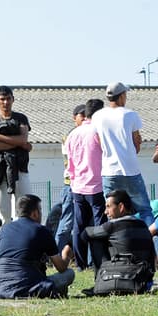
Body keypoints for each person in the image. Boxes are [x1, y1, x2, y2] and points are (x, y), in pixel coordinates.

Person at [0, 195, 75, 299]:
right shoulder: (41, 230)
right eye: (40, 210)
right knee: (69, 274)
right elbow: (61, 268)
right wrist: (66, 256)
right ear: (35, 213)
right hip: (28, 285)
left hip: (0, 285)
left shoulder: (4, 229)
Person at [91, 82, 154, 231]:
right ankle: (153, 248)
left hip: (109, 172)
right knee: (145, 210)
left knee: (112, 213)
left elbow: (99, 141)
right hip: (130, 170)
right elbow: (136, 142)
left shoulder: (98, 116)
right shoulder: (130, 114)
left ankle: (115, 248)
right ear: (121, 96)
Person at [80, 190, 155, 292]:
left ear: (121, 207)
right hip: (143, 279)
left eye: (108, 206)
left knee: (96, 239)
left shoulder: (112, 225)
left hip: (120, 276)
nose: (105, 212)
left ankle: (101, 280)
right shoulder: (143, 225)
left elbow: (85, 234)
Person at [66, 99, 106, 269]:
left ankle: (81, 264)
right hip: (96, 184)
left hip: (77, 185)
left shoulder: (73, 133)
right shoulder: (98, 131)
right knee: (99, 226)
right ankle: (98, 261)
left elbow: (69, 161)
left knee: (79, 226)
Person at [0, 86, 32, 225]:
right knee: (3, 209)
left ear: (13, 99)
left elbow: (24, 139)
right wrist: (18, 143)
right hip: (0, 169)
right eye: (2, 99)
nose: (5, 102)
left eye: (8, 99)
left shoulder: (21, 118)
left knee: (24, 205)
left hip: (20, 167)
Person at [53, 104, 87, 253]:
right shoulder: (70, 136)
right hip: (71, 184)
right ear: (75, 118)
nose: (85, 118)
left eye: (87, 115)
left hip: (86, 184)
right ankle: (56, 255)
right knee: (66, 223)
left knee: (85, 224)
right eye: (82, 115)